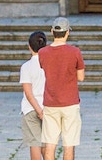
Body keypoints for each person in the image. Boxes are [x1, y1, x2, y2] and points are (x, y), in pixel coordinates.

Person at [39, 17, 85, 160]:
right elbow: (81, 77)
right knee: (69, 144)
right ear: (68, 33)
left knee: (50, 143)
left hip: (51, 101)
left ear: (52, 31)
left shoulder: (43, 52)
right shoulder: (75, 52)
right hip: (70, 101)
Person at [19, 31, 49, 160]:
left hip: (31, 108)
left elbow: (28, 93)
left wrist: (38, 110)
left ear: (29, 46)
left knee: (35, 143)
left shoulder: (26, 67)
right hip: (48, 106)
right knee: (47, 143)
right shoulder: (49, 64)